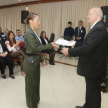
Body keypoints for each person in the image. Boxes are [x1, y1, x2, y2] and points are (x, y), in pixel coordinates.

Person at [61, 7, 107, 108]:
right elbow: (88, 44)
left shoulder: (98, 28)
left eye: (89, 14)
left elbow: (87, 48)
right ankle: (87, 105)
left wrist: (69, 51)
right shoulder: (98, 27)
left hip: (93, 66)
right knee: (91, 89)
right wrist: (75, 43)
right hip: (93, 66)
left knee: (94, 92)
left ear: (96, 15)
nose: (87, 16)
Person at [23, 13, 58, 108]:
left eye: (39, 20)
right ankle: (31, 104)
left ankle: (36, 100)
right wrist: (50, 44)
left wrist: (42, 59)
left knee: (36, 82)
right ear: (31, 21)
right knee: (31, 84)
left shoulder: (34, 32)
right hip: (30, 61)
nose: (39, 22)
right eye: (37, 20)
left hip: (36, 59)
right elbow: (35, 47)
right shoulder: (29, 33)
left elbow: (37, 49)